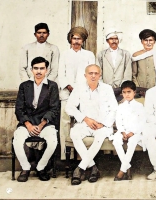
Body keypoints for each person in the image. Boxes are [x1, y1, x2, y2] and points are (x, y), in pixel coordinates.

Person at [65, 64, 118, 185]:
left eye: (96, 73)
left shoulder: (107, 88)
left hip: (102, 125)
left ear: (100, 75)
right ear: (85, 75)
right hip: (85, 123)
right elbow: (69, 107)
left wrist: (103, 123)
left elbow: (114, 109)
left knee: (100, 136)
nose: (93, 76)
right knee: (74, 133)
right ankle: (93, 168)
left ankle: (79, 169)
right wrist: (85, 118)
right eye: (90, 73)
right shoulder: (79, 88)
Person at [13, 57, 59, 182]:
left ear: (47, 70)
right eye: (36, 68)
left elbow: (54, 109)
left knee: (53, 141)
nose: (39, 71)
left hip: (45, 124)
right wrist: (28, 124)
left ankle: (41, 167)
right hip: (27, 123)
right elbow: (19, 109)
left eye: (42, 68)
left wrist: (42, 124)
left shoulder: (52, 86)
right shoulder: (24, 86)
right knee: (17, 140)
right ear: (31, 70)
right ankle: (26, 168)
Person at [58, 26, 95, 160]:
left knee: (82, 122)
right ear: (70, 39)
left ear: (83, 41)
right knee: (65, 121)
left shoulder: (89, 55)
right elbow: (61, 74)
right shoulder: (64, 54)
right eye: (74, 38)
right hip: (66, 92)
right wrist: (69, 86)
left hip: (83, 93)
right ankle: (65, 155)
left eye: (79, 39)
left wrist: (80, 89)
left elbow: (92, 74)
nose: (76, 41)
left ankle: (81, 156)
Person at [112, 81, 145, 181]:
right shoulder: (120, 106)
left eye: (129, 92)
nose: (127, 94)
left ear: (134, 93)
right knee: (116, 141)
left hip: (135, 132)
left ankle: (122, 170)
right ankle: (127, 167)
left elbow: (142, 122)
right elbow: (118, 121)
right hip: (123, 131)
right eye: (124, 92)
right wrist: (122, 132)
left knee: (132, 142)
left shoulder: (139, 106)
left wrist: (132, 132)